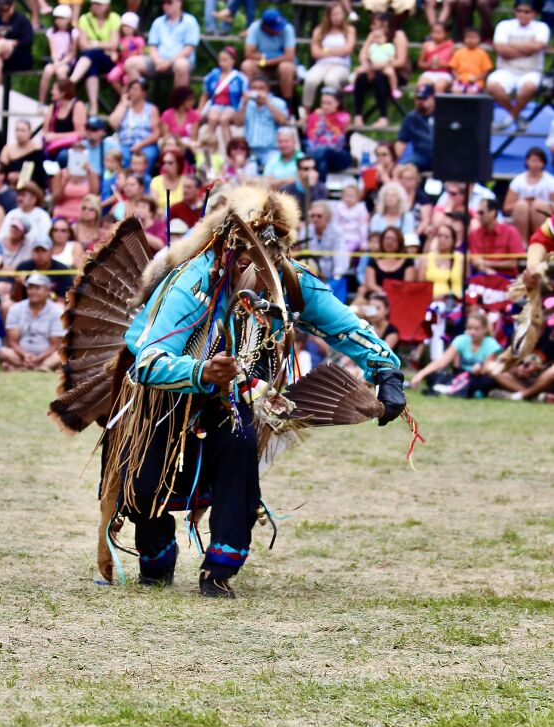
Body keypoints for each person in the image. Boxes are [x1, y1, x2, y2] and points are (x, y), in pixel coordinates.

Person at [61, 187, 404, 596]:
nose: (256, 262)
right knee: (143, 485)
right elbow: (149, 360)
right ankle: (157, 553)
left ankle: (219, 569)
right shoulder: (192, 282)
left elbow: (345, 326)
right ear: (224, 243)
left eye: (269, 253)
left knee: (239, 446)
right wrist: (202, 369)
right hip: (162, 394)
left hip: (235, 394)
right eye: (247, 252)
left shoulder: (289, 283)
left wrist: (387, 370)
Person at [487, 0, 550, 133]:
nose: (522, 14)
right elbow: (499, 48)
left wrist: (509, 47)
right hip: (506, 70)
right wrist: (528, 49)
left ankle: (510, 118)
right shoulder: (504, 25)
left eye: (527, 12)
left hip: (531, 71)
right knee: (492, 85)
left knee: (529, 86)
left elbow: (538, 46)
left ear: (535, 14)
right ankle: (516, 116)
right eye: (519, 11)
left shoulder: (542, 27)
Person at [410, 310, 500, 395]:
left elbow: (488, 369)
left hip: (479, 376)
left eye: (476, 329)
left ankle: (453, 389)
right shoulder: (461, 339)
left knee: (487, 381)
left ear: (484, 329)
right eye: (469, 328)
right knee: (432, 377)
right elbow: (442, 361)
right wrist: (420, 374)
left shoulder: (491, 344)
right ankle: (458, 389)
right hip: (460, 376)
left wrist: (480, 369)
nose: (472, 332)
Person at [124, 0, 200, 89]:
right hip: (158, 61)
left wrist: (169, 62)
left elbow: (189, 48)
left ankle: (178, 101)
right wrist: (158, 61)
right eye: (163, 3)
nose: (165, 5)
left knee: (181, 65)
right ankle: (140, 99)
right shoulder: (158, 22)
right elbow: (152, 47)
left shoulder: (190, 21)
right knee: (130, 64)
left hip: (180, 60)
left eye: (169, 2)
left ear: (179, 2)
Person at [352, 13, 409, 129]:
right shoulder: (373, 35)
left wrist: (379, 66)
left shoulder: (398, 35)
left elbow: (400, 61)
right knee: (361, 77)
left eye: (374, 24)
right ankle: (358, 115)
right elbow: (362, 55)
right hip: (372, 70)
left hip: (393, 74)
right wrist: (367, 67)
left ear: (385, 23)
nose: (372, 27)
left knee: (379, 78)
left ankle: (383, 117)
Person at [0, 273, 63, 371]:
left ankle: (22, 367)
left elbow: (55, 344)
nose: (33, 291)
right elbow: (12, 341)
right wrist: (25, 355)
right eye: (30, 288)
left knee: (62, 354)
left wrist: (39, 358)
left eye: (37, 288)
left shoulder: (57, 311)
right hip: (21, 355)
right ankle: (40, 368)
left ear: (47, 291)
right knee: (2, 351)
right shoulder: (15, 309)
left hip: (47, 356)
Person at [303, 3, 356, 113]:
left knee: (331, 80)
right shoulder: (319, 30)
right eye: (334, 14)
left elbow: (348, 50)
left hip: (341, 66)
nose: (337, 17)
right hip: (321, 65)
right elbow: (315, 52)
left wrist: (326, 50)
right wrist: (338, 51)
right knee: (310, 79)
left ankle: (335, 112)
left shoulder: (349, 30)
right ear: (328, 16)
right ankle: (306, 113)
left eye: (340, 14)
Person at [72, 0, 121, 115]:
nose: (96, 6)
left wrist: (93, 43)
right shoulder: (84, 18)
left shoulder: (114, 18)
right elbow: (82, 45)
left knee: (90, 55)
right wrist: (104, 45)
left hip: (107, 60)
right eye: (94, 3)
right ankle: (94, 107)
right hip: (94, 58)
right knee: (92, 63)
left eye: (99, 4)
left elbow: (114, 44)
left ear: (106, 5)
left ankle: (71, 82)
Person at [242, 9, 296, 111]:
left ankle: (287, 106)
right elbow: (249, 54)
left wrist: (265, 60)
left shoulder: (288, 28)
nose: (279, 30)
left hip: (278, 66)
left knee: (286, 67)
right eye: (275, 28)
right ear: (265, 26)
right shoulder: (255, 27)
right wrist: (278, 55)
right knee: (246, 65)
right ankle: (249, 103)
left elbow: (289, 56)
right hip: (261, 68)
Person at [234, 74, 290, 169]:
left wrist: (268, 103)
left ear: (268, 89)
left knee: (273, 168)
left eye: (261, 88)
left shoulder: (278, 103)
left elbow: (283, 121)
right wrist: (244, 104)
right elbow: (238, 123)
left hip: (271, 150)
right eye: (254, 88)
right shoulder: (246, 103)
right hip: (250, 150)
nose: (257, 91)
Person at [503, 146, 554, 244]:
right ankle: (522, 244)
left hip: (544, 215)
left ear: (543, 163)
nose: (535, 164)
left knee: (538, 206)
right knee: (522, 206)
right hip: (521, 214)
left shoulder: (550, 181)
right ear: (527, 161)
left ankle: (541, 242)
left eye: (539, 161)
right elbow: (506, 207)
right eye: (533, 160)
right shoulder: (518, 181)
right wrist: (525, 203)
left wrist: (537, 204)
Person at [199, 47, 248, 149]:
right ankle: (207, 147)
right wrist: (200, 109)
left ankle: (230, 148)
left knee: (224, 119)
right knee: (212, 118)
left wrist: (241, 111)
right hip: (216, 104)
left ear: (232, 61)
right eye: (220, 60)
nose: (222, 63)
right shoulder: (212, 76)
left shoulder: (240, 78)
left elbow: (244, 96)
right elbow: (205, 94)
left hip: (232, 106)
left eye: (225, 60)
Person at [108, 78, 160, 171]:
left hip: (145, 144)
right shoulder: (124, 106)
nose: (131, 92)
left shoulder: (151, 109)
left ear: (144, 93)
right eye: (130, 89)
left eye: (135, 89)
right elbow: (113, 123)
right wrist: (124, 104)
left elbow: (156, 134)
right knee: (118, 155)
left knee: (147, 156)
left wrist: (140, 145)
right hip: (124, 143)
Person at [469, 198, 525, 277]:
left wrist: (485, 263)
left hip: (506, 278)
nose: (478, 216)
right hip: (483, 275)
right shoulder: (474, 234)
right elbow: (476, 262)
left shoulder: (510, 232)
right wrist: (488, 271)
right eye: (478, 212)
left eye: (481, 212)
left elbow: (513, 264)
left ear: (492, 213)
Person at [304, 87, 351, 180]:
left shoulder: (343, 117)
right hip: (320, 156)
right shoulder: (314, 116)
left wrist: (323, 118)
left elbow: (339, 138)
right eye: (323, 103)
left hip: (338, 155)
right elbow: (311, 138)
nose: (325, 106)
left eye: (329, 103)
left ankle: (306, 163)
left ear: (338, 103)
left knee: (324, 150)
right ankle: (319, 191)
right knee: (322, 164)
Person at [39, 5, 80, 108]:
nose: (58, 21)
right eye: (56, 18)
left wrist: (61, 63)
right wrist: (56, 62)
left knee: (61, 72)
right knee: (47, 71)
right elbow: (53, 50)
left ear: (68, 19)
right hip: (56, 60)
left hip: (68, 61)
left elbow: (72, 53)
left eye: (61, 18)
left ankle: (63, 102)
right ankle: (41, 102)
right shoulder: (51, 32)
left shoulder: (74, 33)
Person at [299, 199, 350, 279]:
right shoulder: (306, 231)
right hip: (311, 273)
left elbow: (340, 254)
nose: (315, 219)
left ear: (328, 217)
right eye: (312, 216)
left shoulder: (337, 232)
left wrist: (337, 275)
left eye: (319, 216)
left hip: (331, 273)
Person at [394, 83, 436, 172]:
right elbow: (401, 141)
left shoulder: (443, 115)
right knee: (399, 169)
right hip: (421, 156)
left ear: (433, 98)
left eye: (424, 98)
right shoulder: (411, 118)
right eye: (418, 98)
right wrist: (396, 160)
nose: (420, 101)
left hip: (442, 157)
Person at [0, 181, 51, 246]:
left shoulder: (42, 216)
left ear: (33, 199)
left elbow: (45, 239)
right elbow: (2, 235)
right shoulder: (12, 214)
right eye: (18, 195)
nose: (19, 198)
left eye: (23, 195)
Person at [362, 226, 416, 293]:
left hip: (401, 296)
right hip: (377, 296)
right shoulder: (373, 261)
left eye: (393, 239)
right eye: (387, 238)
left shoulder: (408, 261)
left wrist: (393, 293)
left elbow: (408, 283)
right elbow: (370, 284)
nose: (389, 242)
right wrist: (384, 292)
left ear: (399, 241)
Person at [417, 223, 464, 299]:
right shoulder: (426, 258)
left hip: (456, 302)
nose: (442, 239)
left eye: (446, 237)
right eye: (439, 236)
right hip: (431, 303)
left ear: (453, 240)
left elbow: (467, 283)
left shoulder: (461, 258)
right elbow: (420, 287)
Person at [42, 80, 87, 158]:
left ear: (63, 93)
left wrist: (56, 136)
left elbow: (81, 133)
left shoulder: (77, 106)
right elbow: (45, 132)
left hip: (71, 147)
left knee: (63, 156)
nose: (51, 92)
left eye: (54, 89)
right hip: (52, 146)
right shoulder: (53, 107)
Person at [106, 13, 146, 98]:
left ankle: (130, 97)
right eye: (124, 26)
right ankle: (123, 96)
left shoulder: (138, 40)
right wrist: (114, 55)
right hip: (121, 64)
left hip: (133, 65)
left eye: (129, 27)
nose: (126, 29)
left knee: (127, 80)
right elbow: (117, 51)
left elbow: (141, 53)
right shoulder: (120, 39)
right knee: (111, 76)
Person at [0, 120, 46, 189]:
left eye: (23, 130)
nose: (19, 133)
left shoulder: (37, 148)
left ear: (30, 132)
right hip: (11, 184)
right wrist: (10, 176)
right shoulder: (7, 149)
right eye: (17, 130)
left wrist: (21, 176)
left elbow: (40, 171)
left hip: (32, 185)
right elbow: (1, 170)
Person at [449, 26, 493, 94]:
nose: (470, 40)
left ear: (479, 39)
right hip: (460, 80)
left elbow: (486, 71)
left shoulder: (482, 53)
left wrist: (476, 78)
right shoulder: (459, 52)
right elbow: (453, 68)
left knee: (472, 92)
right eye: (468, 37)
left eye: (473, 37)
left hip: (476, 82)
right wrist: (457, 77)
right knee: (456, 90)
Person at [395, 163, 432, 239]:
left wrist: (413, 236)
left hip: (416, 234)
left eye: (409, 179)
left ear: (416, 180)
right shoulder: (395, 196)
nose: (405, 181)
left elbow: (425, 221)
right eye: (403, 178)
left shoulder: (423, 198)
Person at [417, 21, 454, 93]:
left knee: (439, 86)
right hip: (429, 73)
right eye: (433, 32)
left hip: (444, 74)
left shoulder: (450, 46)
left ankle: (439, 104)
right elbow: (420, 63)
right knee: (421, 87)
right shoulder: (426, 45)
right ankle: (421, 103)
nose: (436, 35)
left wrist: (442, 64)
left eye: (439, 32)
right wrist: (429, 64)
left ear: (446, 33)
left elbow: (454, 64)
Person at [335, 182, 369, 254]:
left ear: (357, 197)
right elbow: (335, 224)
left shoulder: (361, 208)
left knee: (346, 251)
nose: (348, 198)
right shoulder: (338, 207)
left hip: (354, 237)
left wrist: (363, 242)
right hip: (340, 237)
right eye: (346, 196)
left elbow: (363, 226)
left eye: (351, 196)